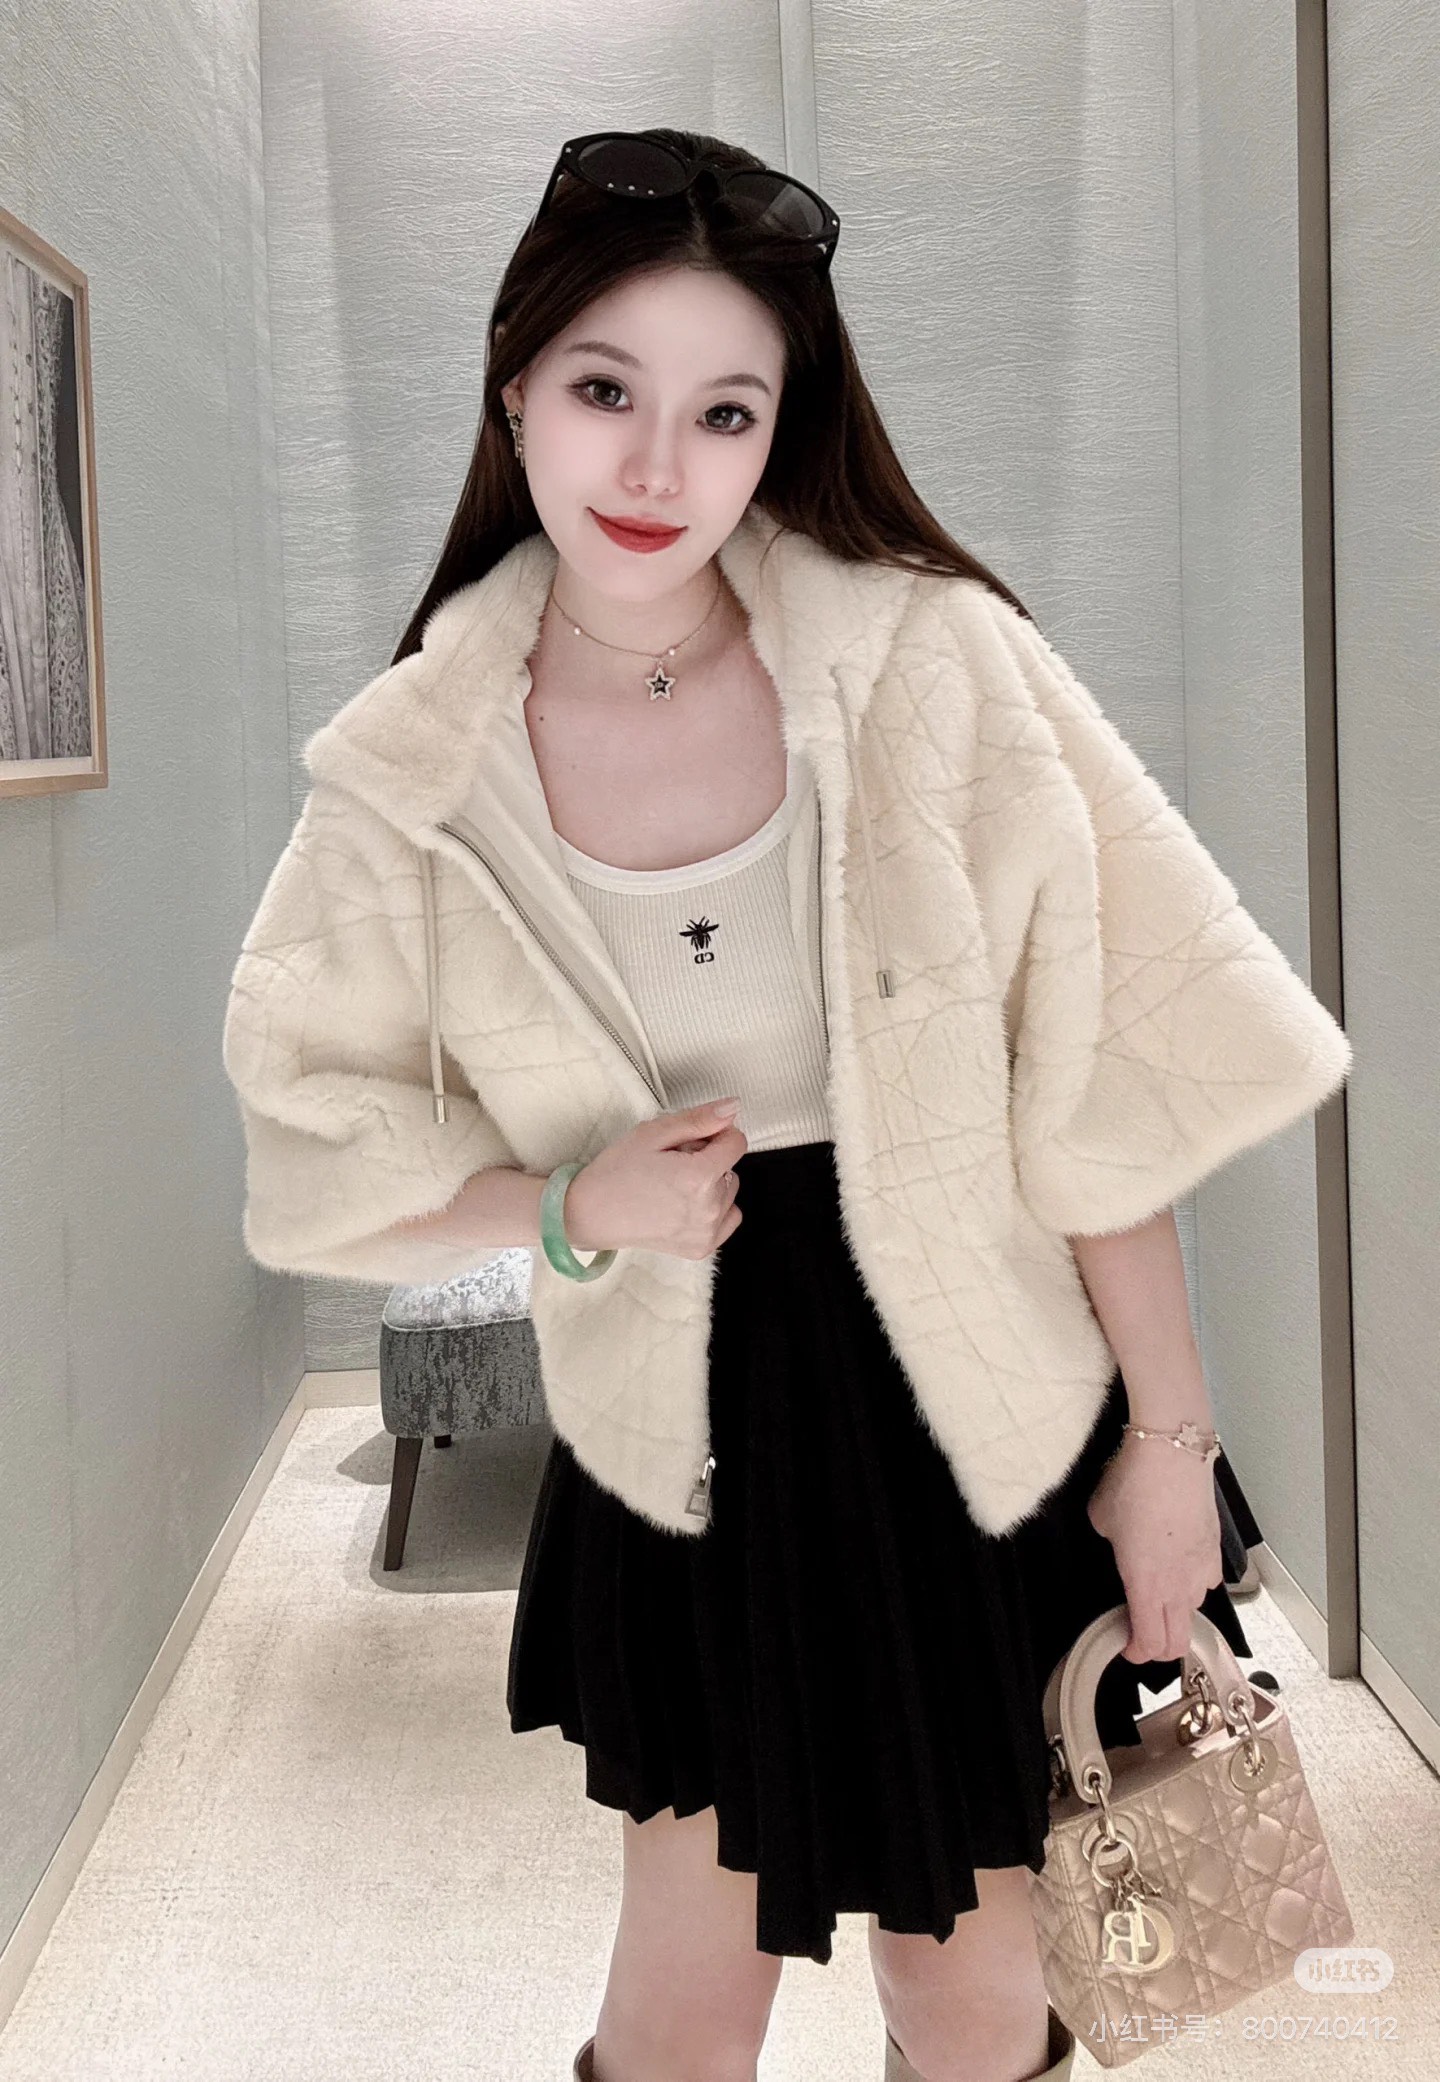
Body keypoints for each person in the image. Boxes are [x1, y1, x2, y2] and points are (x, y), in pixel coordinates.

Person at [221, 129, 1353, 2082]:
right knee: (682, 2008)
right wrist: (568, 1207)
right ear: (517, 388)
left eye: (724, 411)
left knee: (978, 1992)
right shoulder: (425, 755)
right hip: (688, 1398)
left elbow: (1084, 1085)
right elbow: (319, 1146)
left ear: (783, 428)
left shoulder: (928, 664)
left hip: (969, 1382)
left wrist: (1171, 1438)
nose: (657, 469)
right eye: (607, 391)